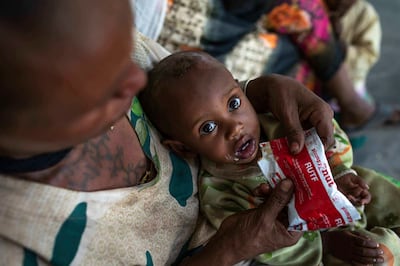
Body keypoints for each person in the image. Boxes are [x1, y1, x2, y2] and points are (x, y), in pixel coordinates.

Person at [0, 0, 339, 265]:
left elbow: (198, 94)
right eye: (106, 90)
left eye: (123, 58)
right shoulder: (15, 244)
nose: (136, 82)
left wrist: (261, 91)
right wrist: (226, 253)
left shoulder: (87, 39)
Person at [139, 50, 400, 265]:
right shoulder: (219, 193)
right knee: (377, 254)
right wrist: (328, 244)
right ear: (183, 148)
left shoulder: (278, 122)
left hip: (351, 193)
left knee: (384, 193)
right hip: (325, 244)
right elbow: (269, 247)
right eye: (208, 128)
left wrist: (340, 171)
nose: (235, 127)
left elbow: (329, 137)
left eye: (234, 104)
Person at [153, 0, 399, 131]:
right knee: (322, 23)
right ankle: (351, 104)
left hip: (226, 31)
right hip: (200, 51)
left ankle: (347, 102)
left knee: (357, 18)